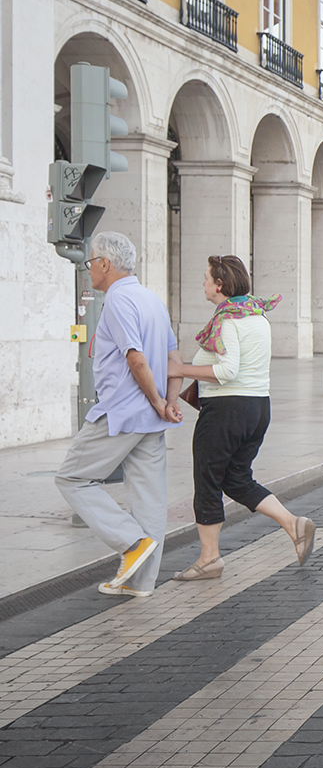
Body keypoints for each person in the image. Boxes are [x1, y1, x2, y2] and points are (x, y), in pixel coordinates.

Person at [167, 255, 314, 580]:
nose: (203, 283)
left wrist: (179, 369)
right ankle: (294, 524)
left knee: (207, 481)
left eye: (206, 278)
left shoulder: (228, 321)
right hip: (257, 408)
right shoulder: (257, 316)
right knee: (236, 479)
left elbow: (227, 370)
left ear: (220, 285)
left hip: (225, 411)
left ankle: (209, 559)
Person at [55, 232, 182, 598]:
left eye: (91, 262)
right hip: (150, 418)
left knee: (72, 479)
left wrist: (159, 401)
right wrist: (167, 402)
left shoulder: (118, 300)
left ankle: (130, 542)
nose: (89, 268)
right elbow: (174, 358)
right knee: (150, 499)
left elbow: (135, 358)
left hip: (121, 413)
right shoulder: (152, 300)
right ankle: (141, 584)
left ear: (106, 265)